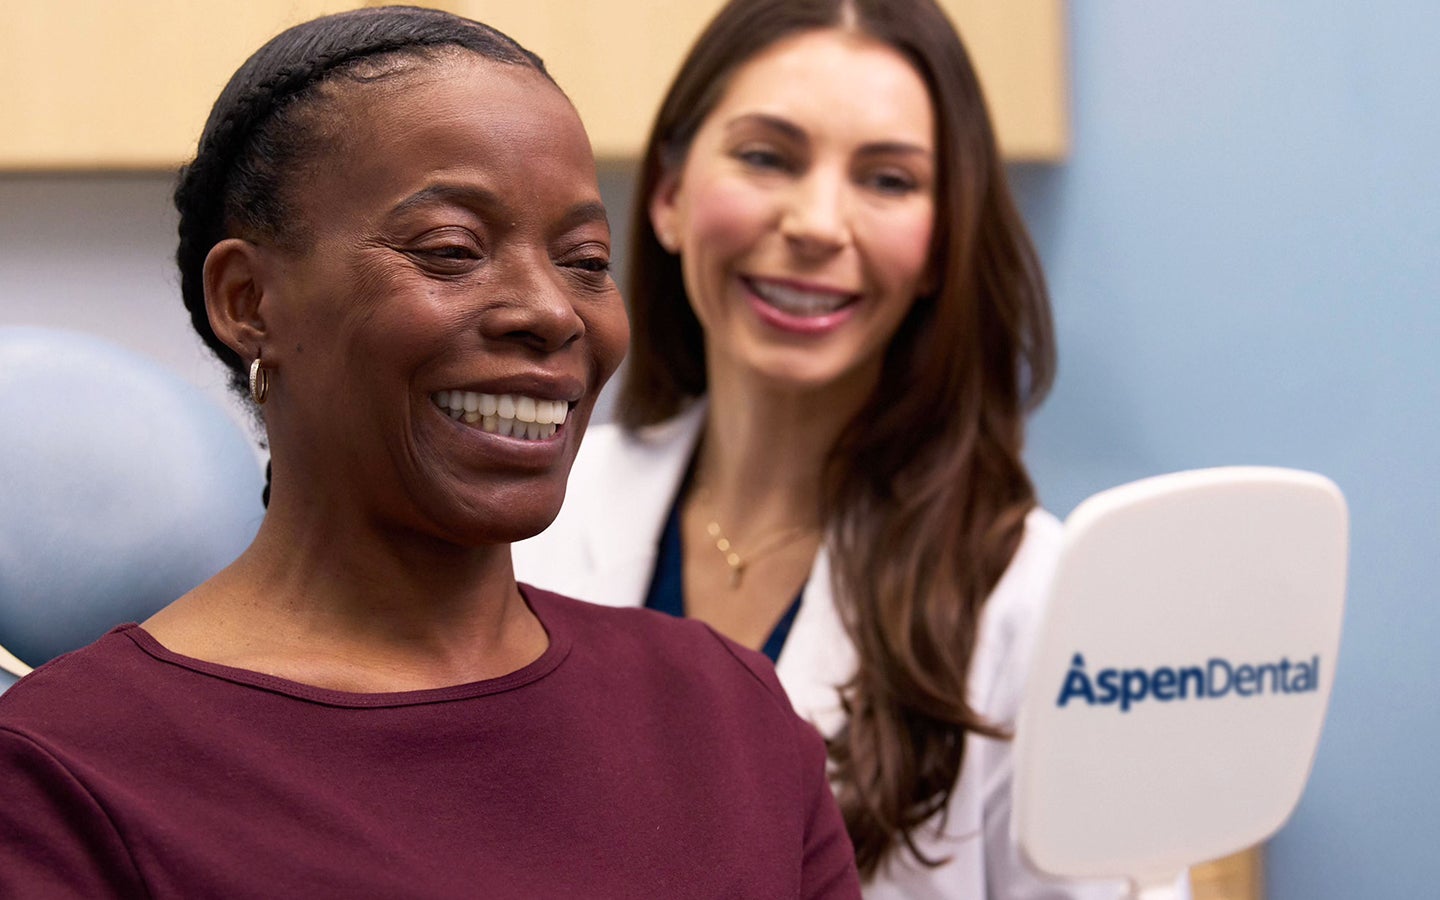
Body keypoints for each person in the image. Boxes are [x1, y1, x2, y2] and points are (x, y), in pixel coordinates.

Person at [0, 8, 860, 898]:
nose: (552, 311)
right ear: (249, 301)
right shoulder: (64, 778)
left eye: (586, 260)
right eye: (452, 250)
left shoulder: (726, 713)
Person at [514, 0, 1156, 896]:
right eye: (768, 156)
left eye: (888, 180)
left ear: (941, 243)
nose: (818, 223)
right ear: (668, 195)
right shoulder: (528, 515)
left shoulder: (1036, 600)